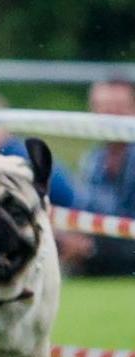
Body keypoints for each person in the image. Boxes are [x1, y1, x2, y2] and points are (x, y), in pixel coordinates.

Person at [53, 76, 135, 276]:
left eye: (118, 108)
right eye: (102, 108)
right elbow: (85, 208)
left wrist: (90, 247)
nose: (108, 116)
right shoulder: (93, 160)